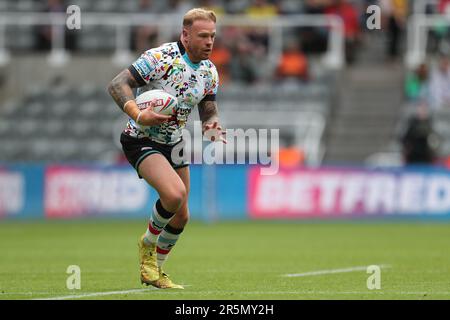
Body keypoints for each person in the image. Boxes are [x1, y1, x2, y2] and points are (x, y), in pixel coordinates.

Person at [107, 8, 226, 289]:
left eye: (212, 36)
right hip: (141, 138)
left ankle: (155, 272)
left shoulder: (209, 71)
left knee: (182, 214)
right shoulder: (160, 58)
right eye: (203, 36)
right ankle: (147, 245)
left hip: (174, 141)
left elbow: (207, 105)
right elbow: (117, 84)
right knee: (174, 195)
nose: (209, 42)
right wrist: (137, 113)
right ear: (185, 35)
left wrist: (212, 124)